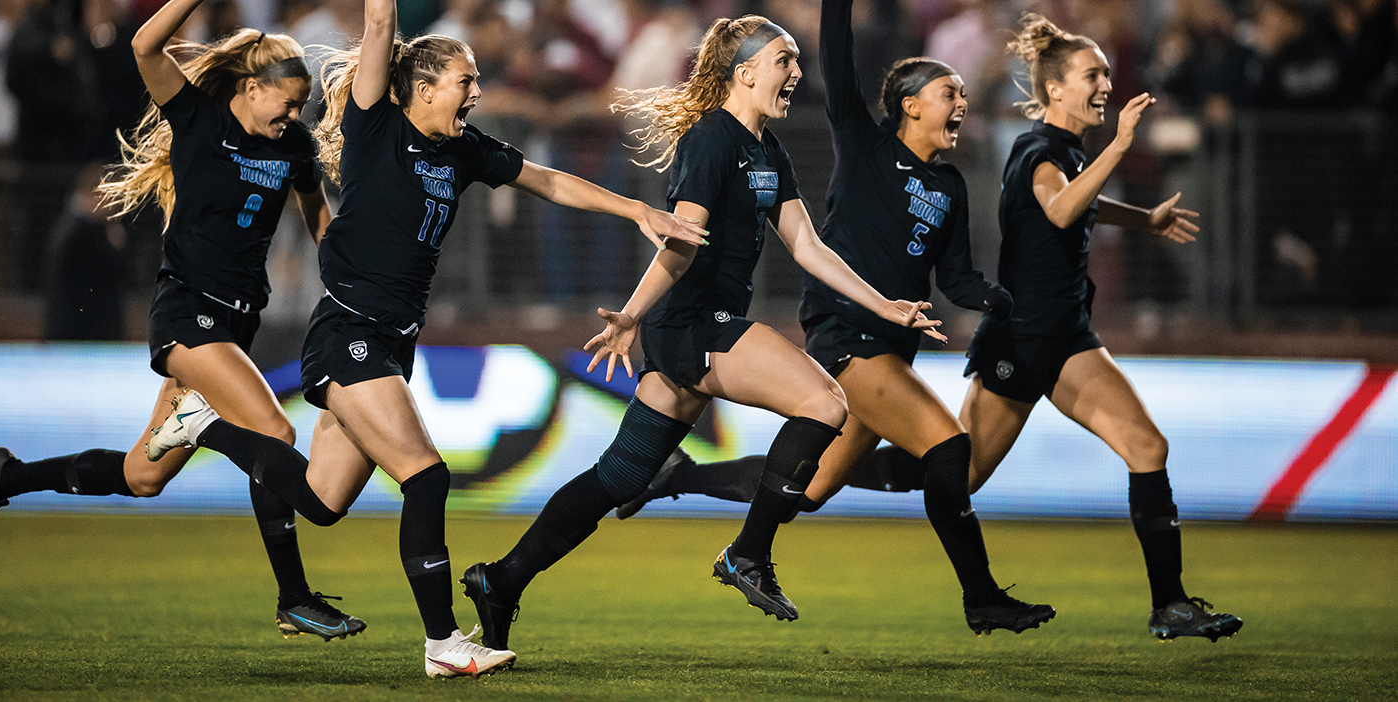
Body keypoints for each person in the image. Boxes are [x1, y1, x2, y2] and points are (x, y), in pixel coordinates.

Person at [135, 0, 707, 677]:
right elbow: (380, 22)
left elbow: (546, 181)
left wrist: (637, 208)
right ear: (424, 87)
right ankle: (442, 644)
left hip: (389, 341)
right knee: (427, 477)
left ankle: (202, 424)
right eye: (465, 79)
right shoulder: (377, 124)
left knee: (320, 502)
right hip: (350, 334)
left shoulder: (463, 150)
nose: (477, 90)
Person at [457, 14, 942, 656]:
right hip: (692, 322)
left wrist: (886, 306)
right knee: (825, 403)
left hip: (693, 327)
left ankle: (501, 579)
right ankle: (749, 555)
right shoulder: (712, 140)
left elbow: (806, 245)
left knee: (619, 477)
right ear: (743, 72)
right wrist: (632, 314)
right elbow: (681, 243)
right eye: (784, 59)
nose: (797, 71)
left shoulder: (767, 149)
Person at [603, 0, 1056, 636]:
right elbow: (838, 59)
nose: (961, 102)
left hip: (893, 342)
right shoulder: (865, 143)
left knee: (805, 491)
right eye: (948, 91)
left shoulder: (951, 187)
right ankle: (981, 597)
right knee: (951, 449)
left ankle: (679, 476)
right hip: (849, 336)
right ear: (910, 104)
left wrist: (998, 300)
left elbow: (955, 279)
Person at [0, 0, 367, 642]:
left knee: (144, 477)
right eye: (287, 102)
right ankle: (294, 597)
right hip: (187, 318)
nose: (294, 115)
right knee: (273, 433)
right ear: (251, 87)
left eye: (303, 106)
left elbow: (317, 218)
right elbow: (146, 46)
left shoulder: (295, 145)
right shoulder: (197, 117)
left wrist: (350, 279)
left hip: (236, 326)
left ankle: (8, 476)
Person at [960, 13, 1239, 641]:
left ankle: (1169, 605)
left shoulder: (1063, 152)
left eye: (1108, 72)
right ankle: (810, 475)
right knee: (957, 474)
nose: (1106, 83)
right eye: (1093, 73)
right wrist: (1120, 144)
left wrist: (1145, 221)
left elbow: (1074, 201)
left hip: (1064, 337)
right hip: (1022, 339)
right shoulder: (1037, 149)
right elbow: (1060, 208)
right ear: (1055, 88)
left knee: (1148, 448)